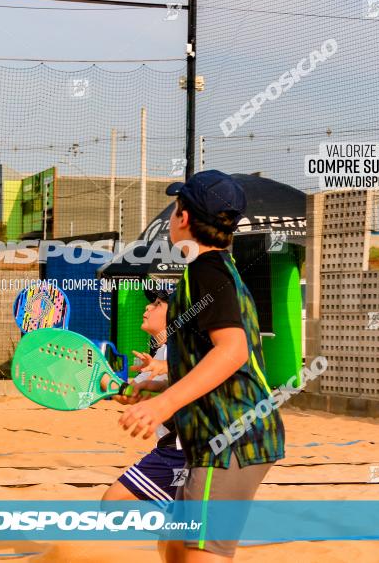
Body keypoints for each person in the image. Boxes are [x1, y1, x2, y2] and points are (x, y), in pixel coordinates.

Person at [119, 170, 285, 562]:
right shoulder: (212, 271)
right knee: (174, 548)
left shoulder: (206, 271)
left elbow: (233, 351)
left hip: (229, 440)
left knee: (198, 553)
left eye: (177, 205)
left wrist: (165, 404)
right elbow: (215, 360)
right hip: (221, 438)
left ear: (184, 217)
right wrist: (161, 389)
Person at [103, 285, 184, 508]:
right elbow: (131, 396)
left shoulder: (176, 350)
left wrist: (102, 381)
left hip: (182, 449)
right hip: (179, 447)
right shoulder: (163, 351)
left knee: (113, 502)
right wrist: (108, 384)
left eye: (158, 303)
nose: (148, 306)